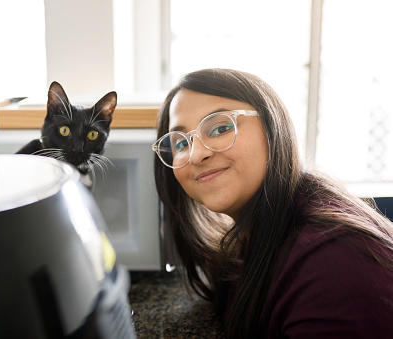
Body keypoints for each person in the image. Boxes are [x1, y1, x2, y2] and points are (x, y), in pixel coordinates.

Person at [152, 68, 393, 338]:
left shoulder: (337, 264)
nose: (196, 155)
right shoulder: (244, 241)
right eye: (181, 144)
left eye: (220, 128)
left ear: (272, 127)